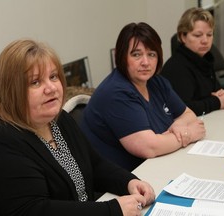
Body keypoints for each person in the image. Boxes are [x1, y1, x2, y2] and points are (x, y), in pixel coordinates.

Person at [0, 39, 155, 216]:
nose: (51, 88)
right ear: (12, 90)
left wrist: (128, 182)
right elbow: (32, 209)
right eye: (35, 82)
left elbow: (95, 165)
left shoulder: (58, 119)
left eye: (53, 77)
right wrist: (112, 210)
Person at [80, 22, 206, 171]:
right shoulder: (115, 93)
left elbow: (188, 114)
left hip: (157, 167)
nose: (145, 62)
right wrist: (189, 134)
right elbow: (149, 148)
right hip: (123, 184)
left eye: (152, 54)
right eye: (136, 54)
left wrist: (178, 125)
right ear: (122, 57)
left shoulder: (156, 82)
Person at [160, 7, 224, 116]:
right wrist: (217, 102)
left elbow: (215, 92)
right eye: (198, 35)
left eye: (209, 34)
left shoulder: (204, 59)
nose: (205, 41)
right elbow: (183, 108)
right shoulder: (177, 67)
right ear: (183, 37)